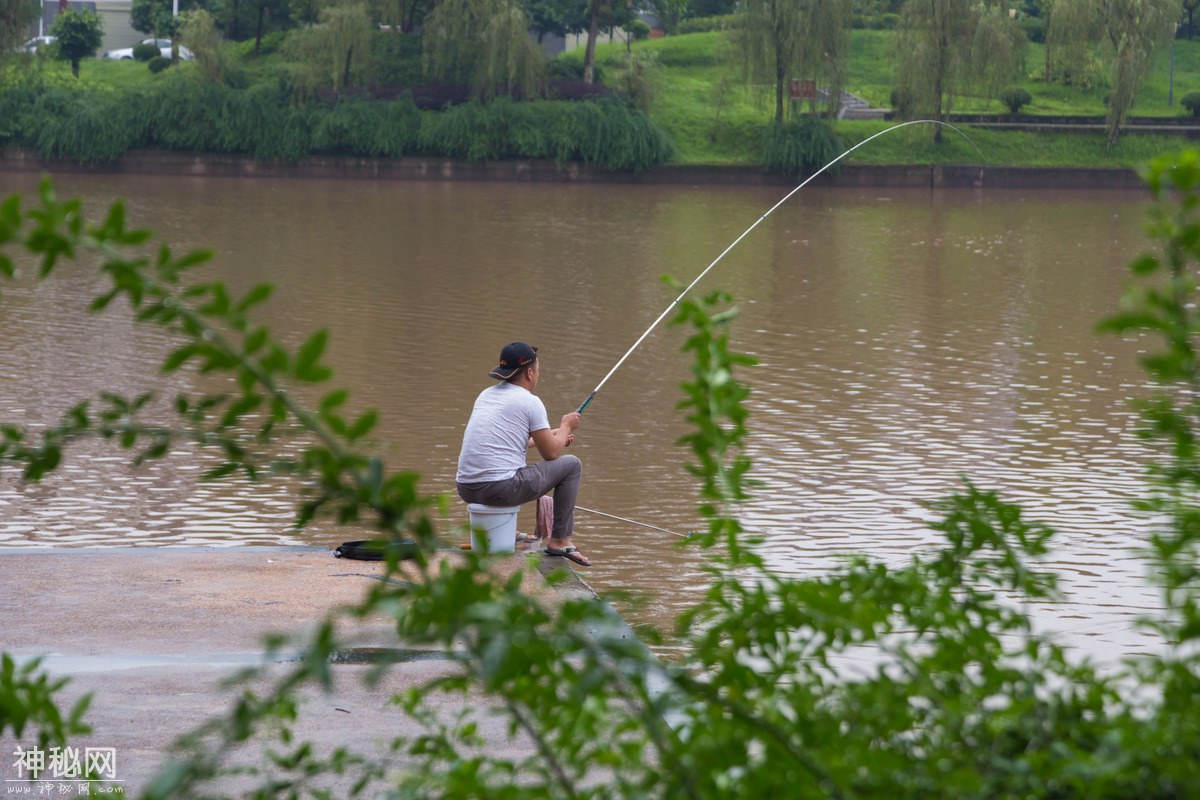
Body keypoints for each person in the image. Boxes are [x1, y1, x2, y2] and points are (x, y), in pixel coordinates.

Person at [456, 342, 589, 566]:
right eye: (537, 371)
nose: (537, 376)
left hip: (466, 488)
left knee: (506, 472)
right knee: (572, 465)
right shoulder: (529, 401)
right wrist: (566, 425)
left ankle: (506, 530)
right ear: (529, 372)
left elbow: (507, 442)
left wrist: (554, 434)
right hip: (499, 489)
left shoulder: (486, 395)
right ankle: (560, 540)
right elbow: (552, 453)